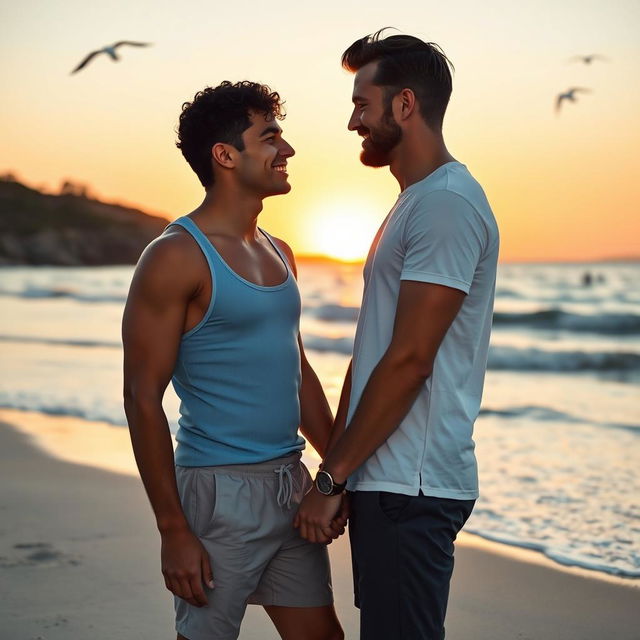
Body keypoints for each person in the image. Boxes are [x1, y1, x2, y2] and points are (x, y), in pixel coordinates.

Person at [295, 31, 500, 639]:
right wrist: (342, 467)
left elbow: (410, 360)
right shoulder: (416, 202)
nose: (353, 119)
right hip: (385, 480)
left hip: (412, 484)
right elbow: (375, 351)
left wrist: (331, 478)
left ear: (405, 105)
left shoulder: (446, 205)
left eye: (363, 102)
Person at [122, 81, 344, 640]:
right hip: (218, 494)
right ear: (225, 156)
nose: (287, 150)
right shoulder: (175, 256)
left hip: (289, 485)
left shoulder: (280, 249)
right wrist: (173, 528)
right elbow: (142, 398)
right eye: (269, 137)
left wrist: (338, 474)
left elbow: (298, 375)